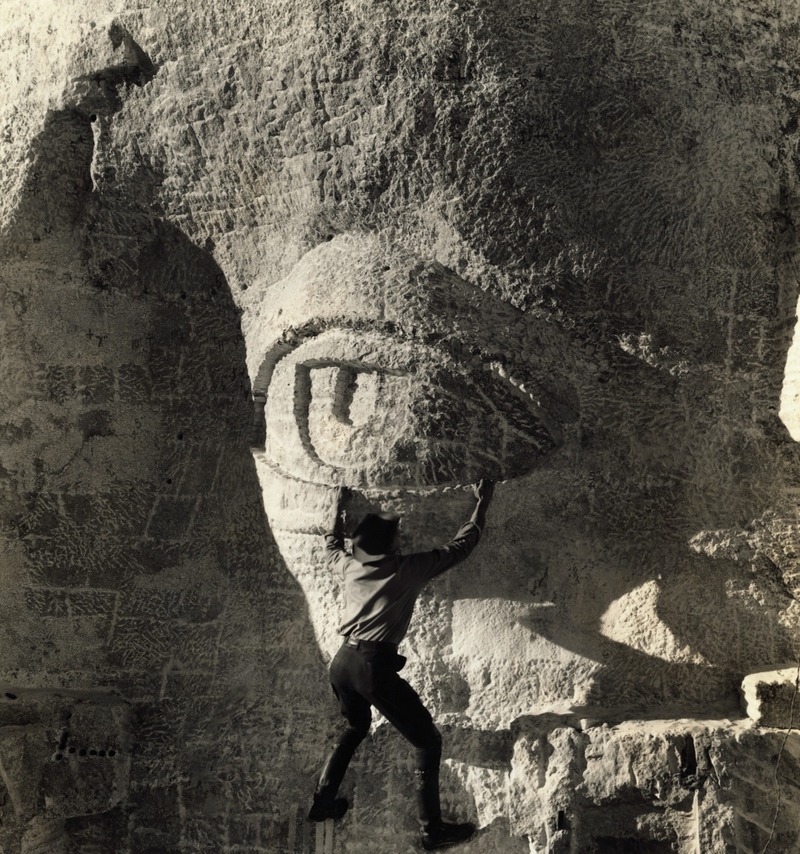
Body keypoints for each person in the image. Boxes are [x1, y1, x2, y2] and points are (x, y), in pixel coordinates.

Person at [308, 479, 495, 850]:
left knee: (355, 728)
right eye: (396, 538)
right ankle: (432, 830)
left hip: (342, 661)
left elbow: (331, 545)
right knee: (427, 741)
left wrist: (338, 511)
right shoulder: (406, 569)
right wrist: (482, 503)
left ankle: (324, 801)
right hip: (372, 667)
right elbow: (461, 546)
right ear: (391, 547)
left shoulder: (350, 566)